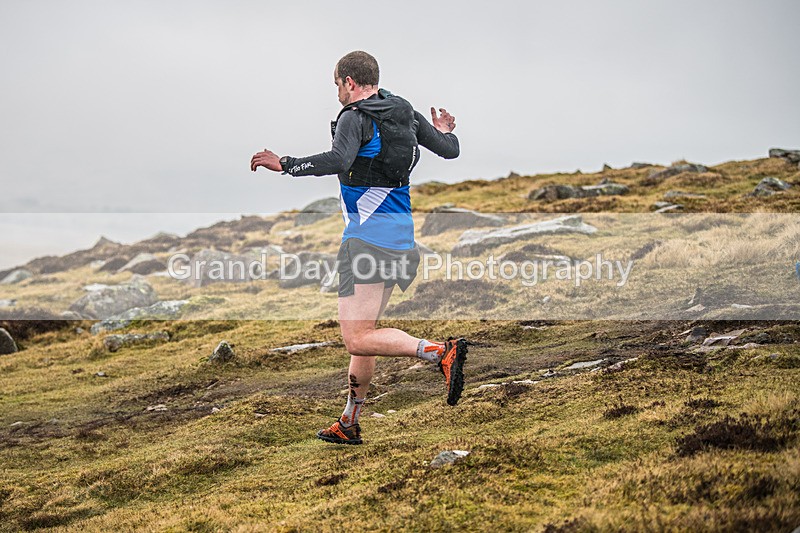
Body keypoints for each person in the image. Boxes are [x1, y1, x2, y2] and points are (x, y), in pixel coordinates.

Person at [250, 50, 467, 445]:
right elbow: (449, 149)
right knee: (367, 333)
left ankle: (440, 352)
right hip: (400, 237)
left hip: (367, 241)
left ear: (349, 82)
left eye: (336, 84)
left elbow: (338, 158)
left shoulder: (354, 117)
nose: (336, 92)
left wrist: (287, 163)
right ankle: (349, 422)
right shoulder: (404, 110)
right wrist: (444, 130)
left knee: (356, 338)